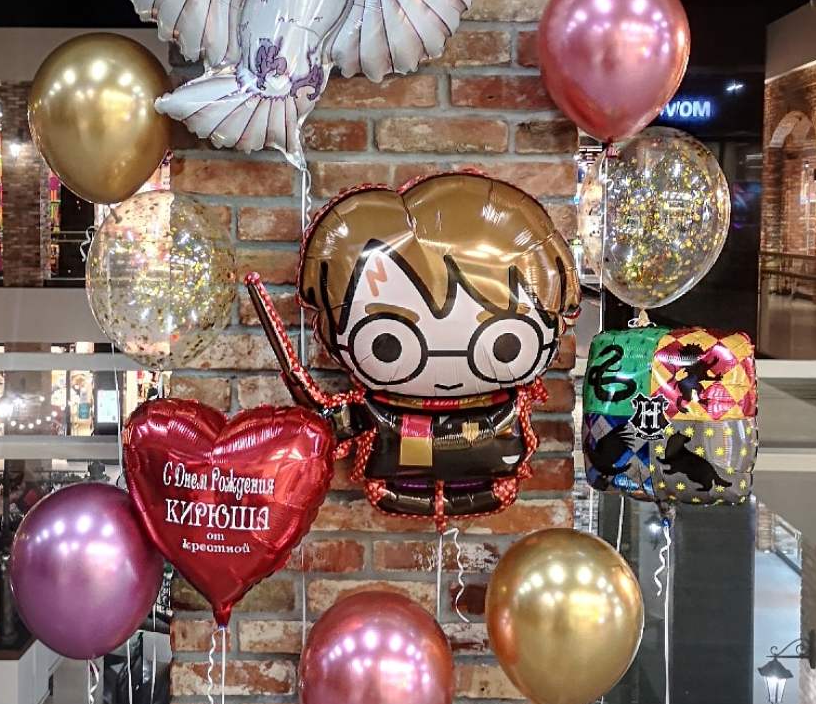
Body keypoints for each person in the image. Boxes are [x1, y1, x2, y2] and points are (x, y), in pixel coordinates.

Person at [248, 171, 581, 525]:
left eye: (506, 343)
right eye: (387, 344)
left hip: (491, 458)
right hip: (395, 459)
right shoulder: (368, 409)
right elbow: (335, 421)